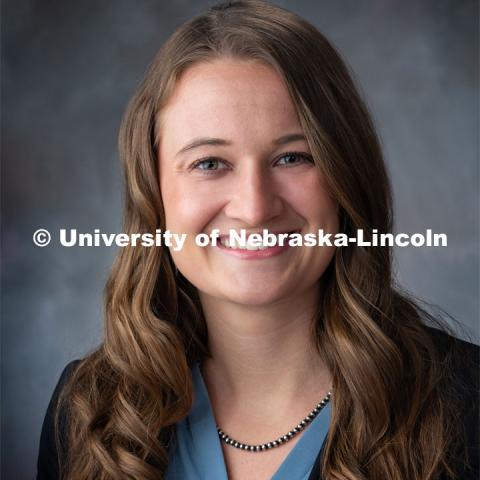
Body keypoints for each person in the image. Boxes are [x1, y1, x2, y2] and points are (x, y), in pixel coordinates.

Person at [37, 1, 479, 479]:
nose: (254, 207)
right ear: (154, 194)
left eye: (292, 158)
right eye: (210, 163)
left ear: (346, 176)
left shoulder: (465, 402)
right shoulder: (85, 410)